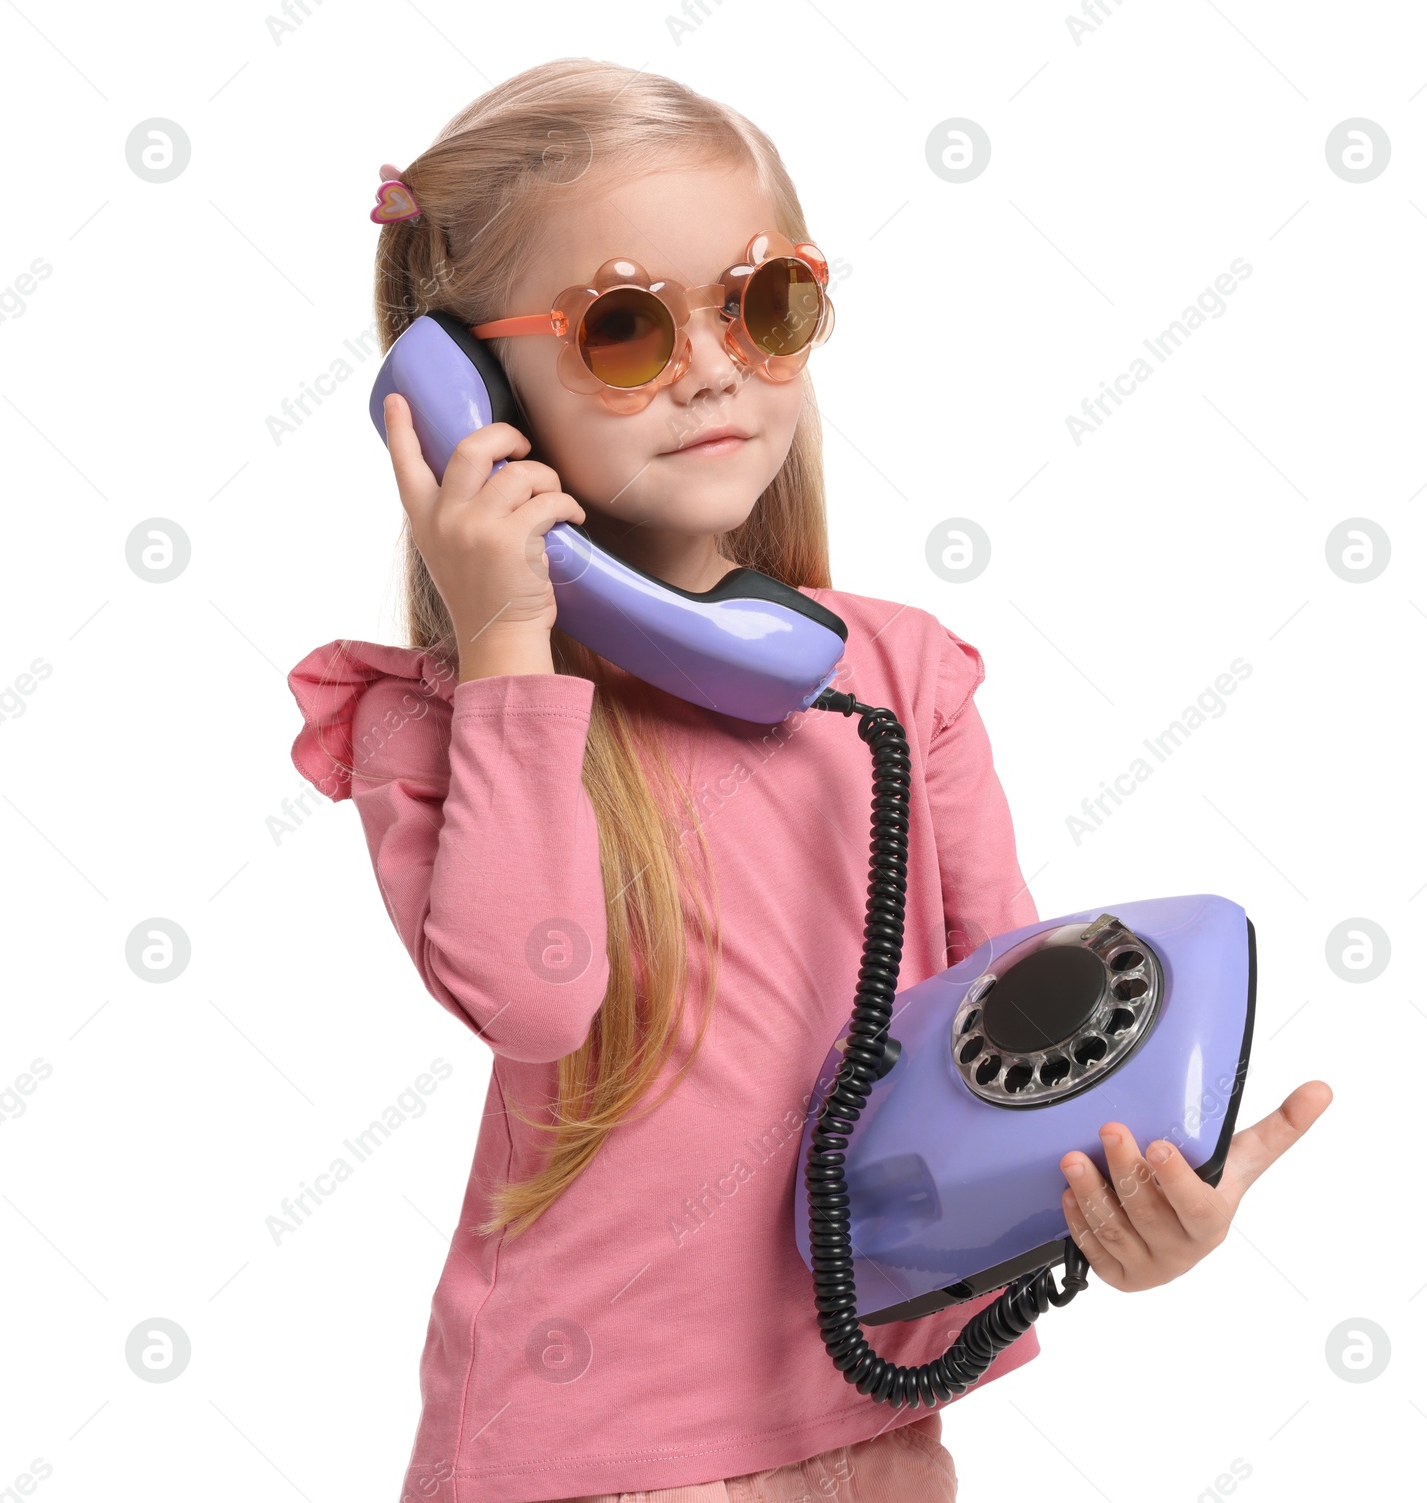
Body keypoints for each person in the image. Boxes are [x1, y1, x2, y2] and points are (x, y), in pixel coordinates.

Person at [286, 58, 1332, 1503]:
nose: (716, 365)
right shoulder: (462, 723)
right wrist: (513, 639)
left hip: (872, 1442)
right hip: (585, 1460)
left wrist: (1130, 1207)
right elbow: (533, 996)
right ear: (468, 395)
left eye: (763, 302)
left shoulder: (902, 684)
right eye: (628, 326)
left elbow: (1000, 1032)